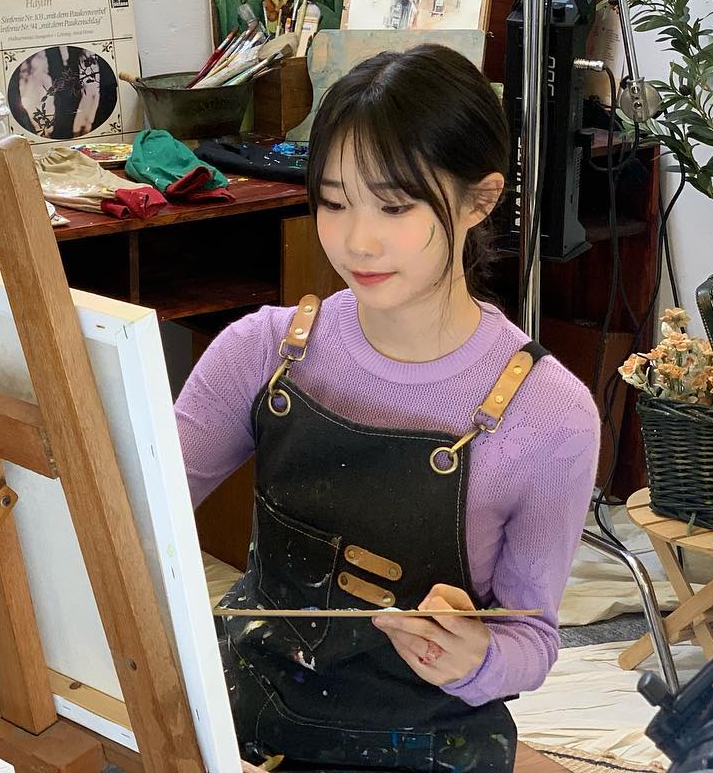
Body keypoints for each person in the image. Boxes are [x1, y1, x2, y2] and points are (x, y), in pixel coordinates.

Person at [176, 44, 599, 772]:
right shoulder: (265, 350)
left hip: (424, 741)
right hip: (249, 710)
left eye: (395, 206)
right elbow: (132, 513)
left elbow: (531, 639)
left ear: (480, 200)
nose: (357, 240)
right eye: (333, 202)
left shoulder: (550, 412)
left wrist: (473, 655)